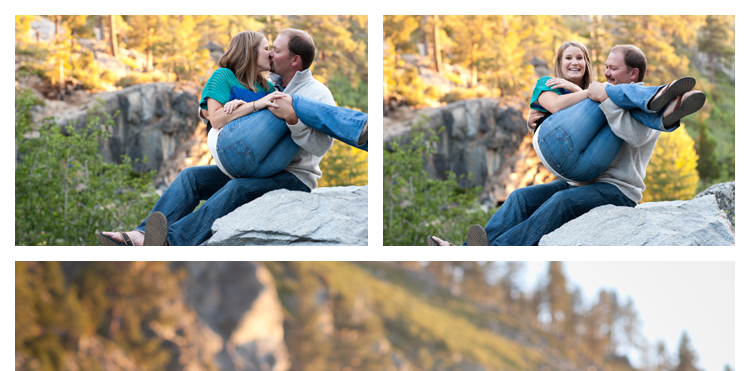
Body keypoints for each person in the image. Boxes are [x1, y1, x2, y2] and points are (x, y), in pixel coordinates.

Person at [99, 29, 366, 249]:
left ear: (294, 60)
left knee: (237, 187)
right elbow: (233, 106)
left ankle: (173, 241)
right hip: (258, 166)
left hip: (292, 177)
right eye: (269, 48)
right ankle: (141, 235)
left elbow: (320, 146)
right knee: (191, 176)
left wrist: (293, 119)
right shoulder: (270, 85)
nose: (271, 53)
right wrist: (211, 110)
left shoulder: (317, 93)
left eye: (277, 49)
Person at [428, 43, 701, 248]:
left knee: (560, 202)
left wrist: (606, 101)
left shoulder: (643, 108)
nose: (606, 73)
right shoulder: (609, 92)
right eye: (604, 67)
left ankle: (494, 251)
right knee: (520, 197)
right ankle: (463, 249)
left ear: (633, 73)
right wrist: (541, 123)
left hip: (617, 191)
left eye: (612, 69)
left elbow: (636, 137)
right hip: (583, 182)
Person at [530, 40, 705, 185]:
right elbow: (556, 107)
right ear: (559, 62)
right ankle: (660, 108)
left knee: (614, 99)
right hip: (555, 149)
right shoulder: (548, 82)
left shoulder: (598, 91)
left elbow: (634, 135)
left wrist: (595, 92)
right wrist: (594, 91)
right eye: (568, 57)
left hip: (585, 169)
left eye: (579, 58)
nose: (574, 62)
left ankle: (660, 107)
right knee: (611, 94)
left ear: (586, 63)